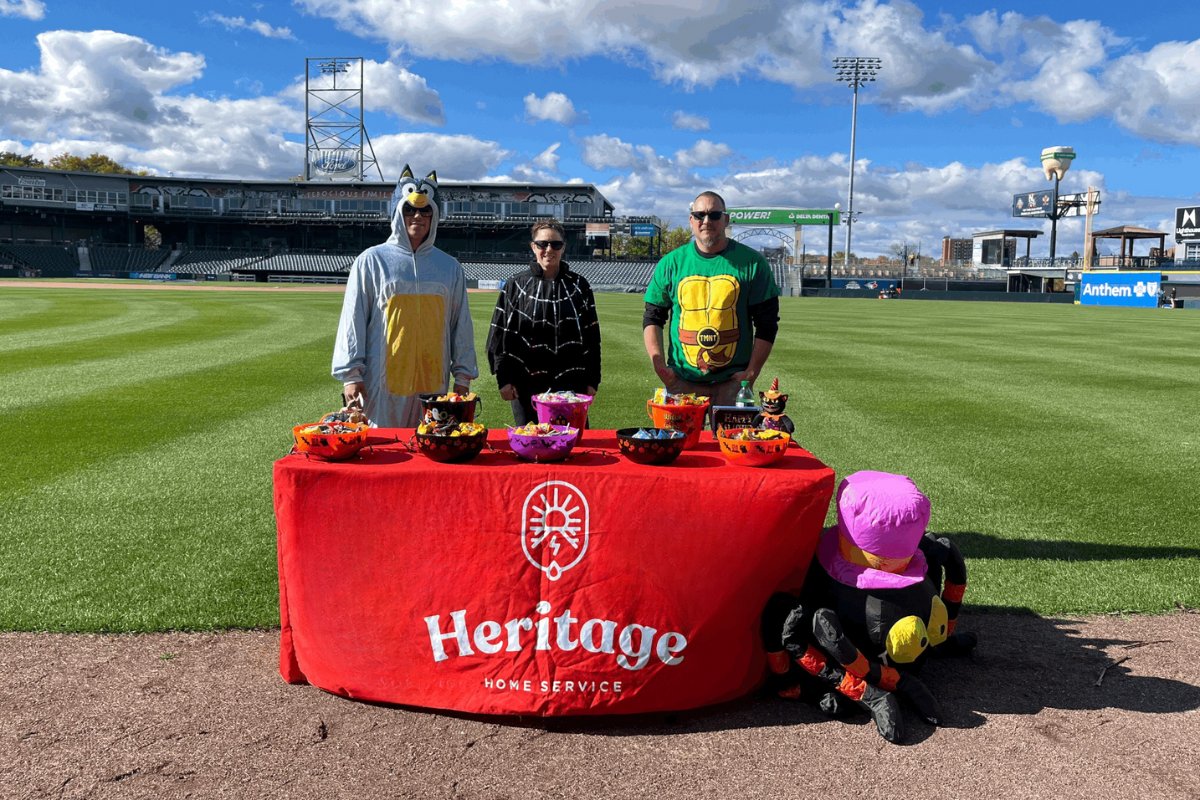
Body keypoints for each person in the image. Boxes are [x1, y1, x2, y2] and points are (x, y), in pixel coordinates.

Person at [332, 165, 478, 427]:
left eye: (425, 210)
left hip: (435, 384)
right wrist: (351, 375)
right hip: (383, 384)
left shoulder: (449, 267)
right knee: (385, 452)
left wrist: (463, 377)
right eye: (409, 209)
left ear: (435, 216)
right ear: (398, 211)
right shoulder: (371, 261)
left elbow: (461, 325)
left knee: (431, 448)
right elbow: (352, 321)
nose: (417, 216)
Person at [642, 191, 781, 406]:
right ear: (691, 221)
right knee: (678, 441)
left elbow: (767, 323)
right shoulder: (671, 263)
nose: (706, 221)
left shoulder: (753, 263)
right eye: (700, 215)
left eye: (714, 215)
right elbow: (653, 317)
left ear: (725, 219)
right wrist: (660, 366)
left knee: (734, 440)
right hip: (681, 382)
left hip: (732, 384)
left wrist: (751, 372)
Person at [486, 219, 601, 424]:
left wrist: (593, 379)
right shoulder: (516, 285)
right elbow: (500, 334)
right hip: (526, 383)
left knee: (574, 445)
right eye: (542, 244)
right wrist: (503, 379)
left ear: (563, 247)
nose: (549, 249)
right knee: (531, 445)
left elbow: (592, 336)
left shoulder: (579, 286)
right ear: (533, 247)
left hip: (571, 383)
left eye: (555, 244)